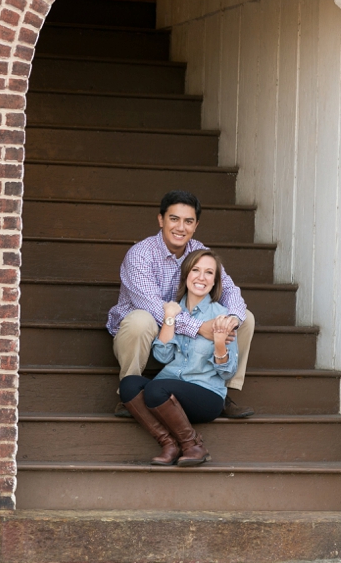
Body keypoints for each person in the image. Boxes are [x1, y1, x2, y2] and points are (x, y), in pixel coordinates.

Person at [106, 190, 256, 418]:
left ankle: (222, 392)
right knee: (140, 321)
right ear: (161, 220)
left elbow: (228, 287)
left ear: (196, 225)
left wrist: (231, 321)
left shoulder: (197, 250)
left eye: (188, 221)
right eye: (174, 219)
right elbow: (154, 308)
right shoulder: (140, 255)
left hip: (183, 321)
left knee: (246, 317)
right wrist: (199, 328)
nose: (180, 227)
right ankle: (129, 396)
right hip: (147, 324)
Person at [119, 249, 238, 466]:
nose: (201, 277)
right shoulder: (173, 309)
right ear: (186, 275)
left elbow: (227, 372)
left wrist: (220, 344)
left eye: (209, 273)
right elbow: (162, 356)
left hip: (206, 395)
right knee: (128, 385)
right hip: (169, 391)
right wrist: (170, 318)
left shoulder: (221, 316)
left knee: (156, 388)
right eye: (196, 270)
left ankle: (193, 445)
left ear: (215, 281)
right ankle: (169, 445)